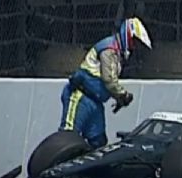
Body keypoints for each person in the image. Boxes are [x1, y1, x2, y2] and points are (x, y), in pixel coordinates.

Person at [59, 17, 152, 148]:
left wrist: (119, 98)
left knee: (98, 142)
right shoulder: (110, 48)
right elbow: (109, 79)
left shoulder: (117, 53)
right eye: (134, 42)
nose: (135, 46)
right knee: (67, 138)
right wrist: (123, 95)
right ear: (129, 35)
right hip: (80, 96)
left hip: (95, 102)